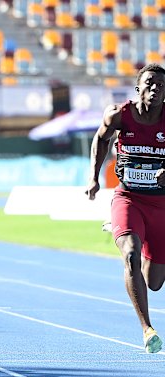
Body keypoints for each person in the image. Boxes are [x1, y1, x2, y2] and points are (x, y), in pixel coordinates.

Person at [86, 63, 165, 354]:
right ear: (138, 87)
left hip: (162, 205)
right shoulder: (119, 114)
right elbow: (101, 139)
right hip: (129, 199)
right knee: (130, 255)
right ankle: (147, 329)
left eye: (161, 85)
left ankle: (140, 243)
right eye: (150, 82)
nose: (156, 88)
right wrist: (94, 177)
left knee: (154, 282)